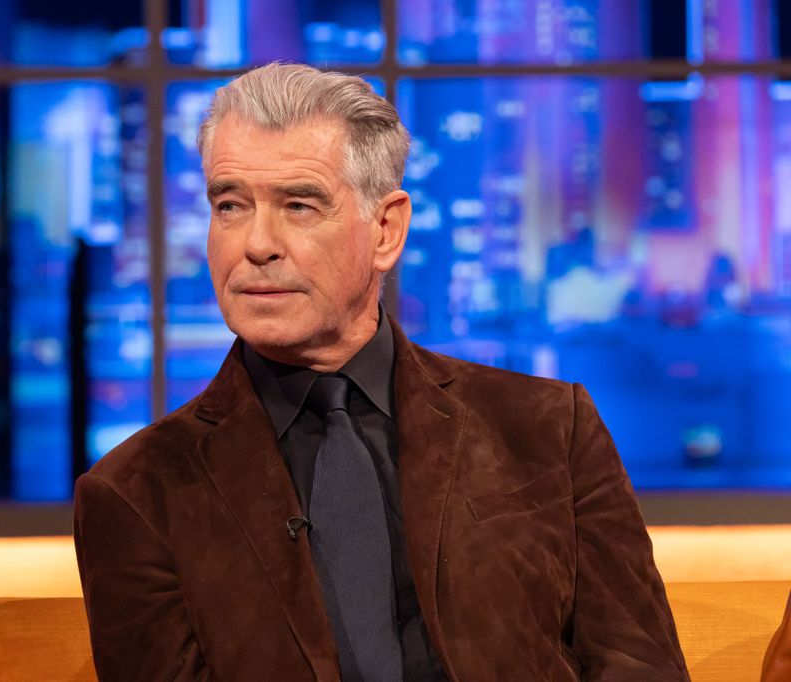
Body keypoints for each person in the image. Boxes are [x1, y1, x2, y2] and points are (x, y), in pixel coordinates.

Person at [73, 63, 689, 681]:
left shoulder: (549, 430)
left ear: (386, 231)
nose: (257, 244)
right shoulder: (136, 494)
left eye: (298, 205)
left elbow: (640, 666)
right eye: (230, 205)